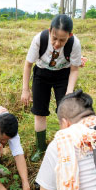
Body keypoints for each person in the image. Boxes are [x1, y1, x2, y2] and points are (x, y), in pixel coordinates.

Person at [20, 14, 84, 159]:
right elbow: (28, 64)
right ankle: (41, 148)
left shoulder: (75, 43)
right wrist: (25, 89)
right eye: (54, 38)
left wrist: (69, 92)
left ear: (70, 35)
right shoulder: (39, 39)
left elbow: (74, 69)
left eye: (62, 40)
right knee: (40, 112)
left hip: (63, 75)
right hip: (41, 75)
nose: (56, 44)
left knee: (65, 112)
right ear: (50, 31)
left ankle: (66, 147)